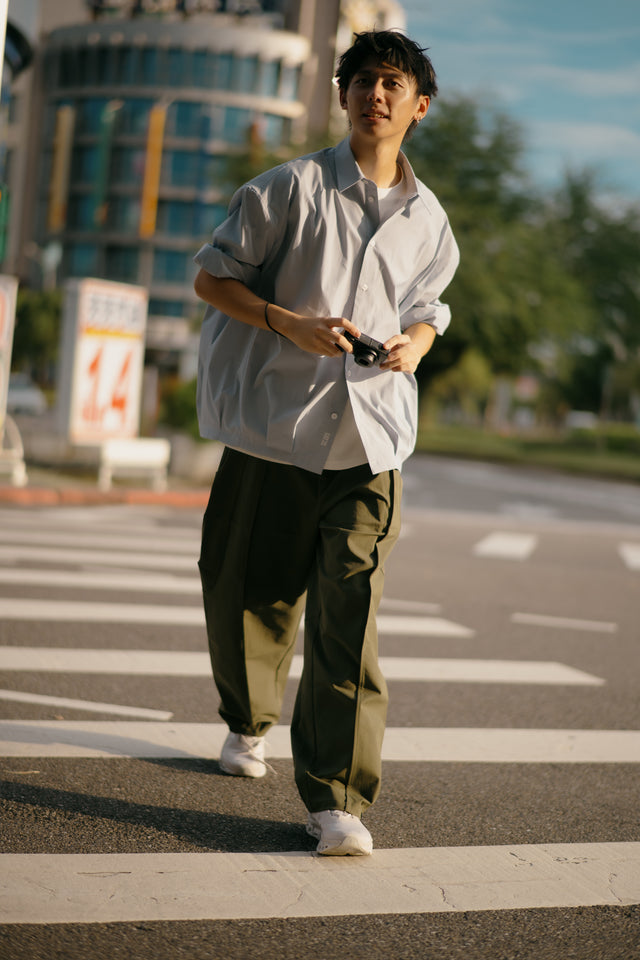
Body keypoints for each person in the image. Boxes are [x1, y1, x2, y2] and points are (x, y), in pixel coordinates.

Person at [193, 29, 459, 856]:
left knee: (351, 613)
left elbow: (428, 304)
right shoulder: (288, 189)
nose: (376, 94)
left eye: (394, 83)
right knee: (247, 591)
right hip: (275, 430)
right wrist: (286, 322)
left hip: (373, 442)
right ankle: (247, 718)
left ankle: (337, 799)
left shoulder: (431, 220)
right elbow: (212, 276)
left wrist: (417, 341)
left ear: (419, 107)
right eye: (364, 81)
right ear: (342, 97)